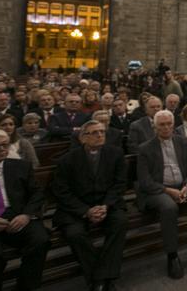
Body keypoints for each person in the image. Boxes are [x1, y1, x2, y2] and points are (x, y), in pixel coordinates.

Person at [52, 120, 128, 291]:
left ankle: (98, 279)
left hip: (107, 204)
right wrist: (85, 211)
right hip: (77, 208)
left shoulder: (115, 153)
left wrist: (106, 206)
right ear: (82, 138)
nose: (100, 135)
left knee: (120, 222)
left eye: (102, 132)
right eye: (94, 132)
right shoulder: (67, 160)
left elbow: (120, 183)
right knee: (74, 233)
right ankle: (102, 277)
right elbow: (61, 191)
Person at [0, 129, 51, 291]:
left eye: (4, 145)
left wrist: (27, 215)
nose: (2, 149)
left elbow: (37, 194)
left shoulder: (21, 166)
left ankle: (26, 286)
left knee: (41, 240)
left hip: (17, 216)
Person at [136, 110, 187, 279]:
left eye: (169, 123)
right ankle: (172, 256)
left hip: (183, 185)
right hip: (159, 189)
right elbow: (145, 181)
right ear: (155, 126)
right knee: (169, 208)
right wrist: (168, 190)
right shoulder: (145, 148)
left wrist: (186, 186)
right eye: (162, 124)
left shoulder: (183, 141)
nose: (166, 127)